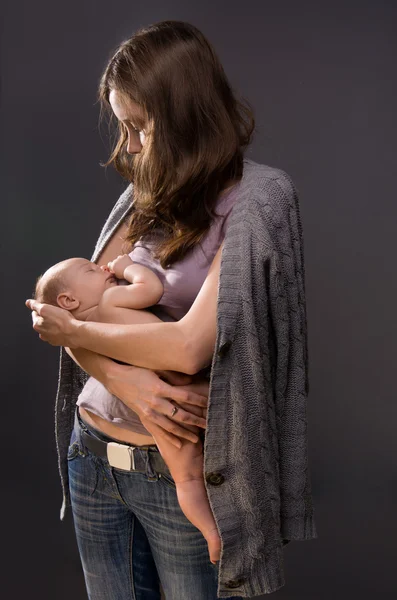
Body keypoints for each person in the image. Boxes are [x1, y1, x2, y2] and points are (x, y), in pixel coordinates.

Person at [26, 20, 317, 600]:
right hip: (93, 457)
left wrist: (74, 331)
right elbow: (87, 306)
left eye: (138, 126)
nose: (128, 146)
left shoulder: (257, 201)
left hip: (176, 476)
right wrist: (129, 384)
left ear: (183, 115)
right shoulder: (148, 189)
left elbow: (187, 345)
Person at [33, 252, 221, 563]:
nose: (102, 267)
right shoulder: (109, 302)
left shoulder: (82, 335)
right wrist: (126, 267)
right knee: (199, 470)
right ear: (68, 300)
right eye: (90, 270)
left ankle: (211, 534)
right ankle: (217, 532)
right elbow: (150, 289)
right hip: (179, 388)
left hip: (158, 412)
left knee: (187, 475)